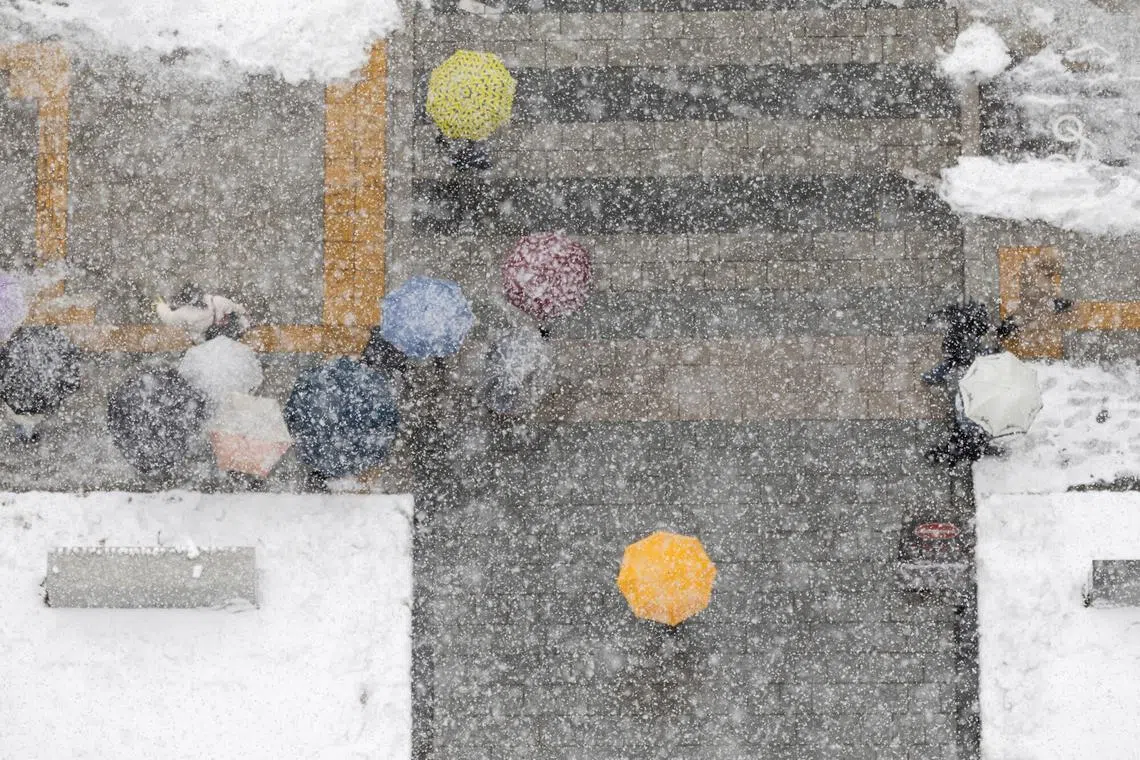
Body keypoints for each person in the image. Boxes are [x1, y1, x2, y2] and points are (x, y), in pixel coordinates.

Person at [922, 300, 1015, 386]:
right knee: (957, 364)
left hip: (954, 346)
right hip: (958, 347)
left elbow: (945, 312)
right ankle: (934, 377)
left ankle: (932, 377)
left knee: (953, 363)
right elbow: (990, 328)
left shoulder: (966, 317)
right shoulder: (974, 322)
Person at [155, 283, 251, 343]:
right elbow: (239, 310)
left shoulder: (183, 313)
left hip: (206, 344)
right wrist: (246, 324)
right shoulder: (216, 301)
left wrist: (160, 305)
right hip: (230, 338)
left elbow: (168, 317)